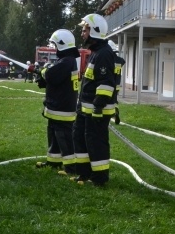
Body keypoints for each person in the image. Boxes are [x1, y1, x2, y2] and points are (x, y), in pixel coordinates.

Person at [72, 13, 116, 185]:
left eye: (85, 30)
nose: (82, 33)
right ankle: (84, 173)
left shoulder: (104, 54)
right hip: (85, 109)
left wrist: (98, 106)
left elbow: (106, 83)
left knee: (96, 143)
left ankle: (99, 178)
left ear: (95, 31)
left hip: (96, 111)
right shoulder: (95, 52)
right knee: (80, 138)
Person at [35, 29, 80, 173]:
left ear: (62, 44)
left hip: (62, 108)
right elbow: (57, 80)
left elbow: (50, 75)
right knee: (54, 135)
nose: (54, 48)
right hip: (58, 106)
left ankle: (71, 168)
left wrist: (41, 71)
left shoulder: (66, 61)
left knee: (64, 138)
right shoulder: (67, 61)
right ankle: (53, 162)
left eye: (55, 45)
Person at [108, 40, 126, 124]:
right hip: (117, 85)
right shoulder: (119, 60)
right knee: (114, 99)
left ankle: (110, 114)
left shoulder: (108, 60)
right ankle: (116, 111)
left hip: (109, 84)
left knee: (108, 100)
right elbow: (123, 61)